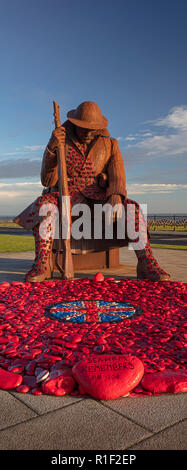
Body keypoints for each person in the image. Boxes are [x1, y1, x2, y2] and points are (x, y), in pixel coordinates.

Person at [14, 101, 171, 282]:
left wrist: (116, 196)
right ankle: (42, 264)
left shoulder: (111, 145)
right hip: (66, 197)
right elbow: (47, 181)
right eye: (83, 128)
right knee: (45, 206)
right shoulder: (61, 142)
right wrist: (51, 148)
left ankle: (146, 263)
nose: (88, 132)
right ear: (74, 123)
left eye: (92, 128)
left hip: (99, 198)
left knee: (133, 210)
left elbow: (117, 176)